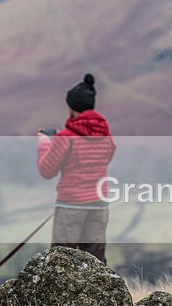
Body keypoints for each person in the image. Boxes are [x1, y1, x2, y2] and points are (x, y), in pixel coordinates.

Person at [37, 73, 116, 263]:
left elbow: (47, 171)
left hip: (71, 205)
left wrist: (45, 143)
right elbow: (106, 158)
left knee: (62, 260)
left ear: (72, 108)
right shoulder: (106, 136)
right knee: (95, 260)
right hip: (99, 204)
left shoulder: (66, 138)